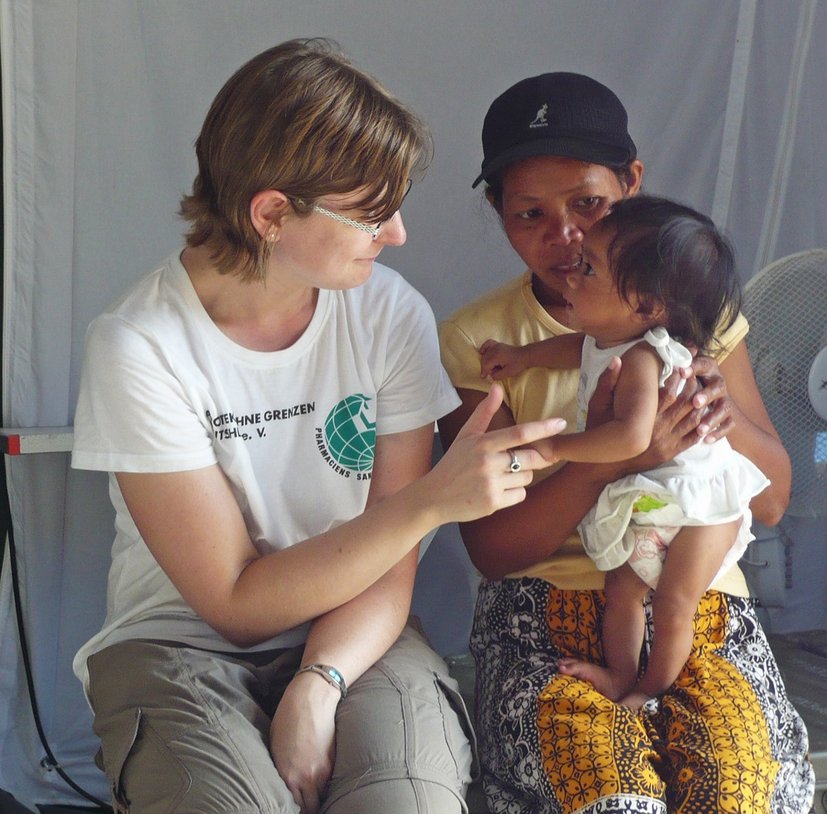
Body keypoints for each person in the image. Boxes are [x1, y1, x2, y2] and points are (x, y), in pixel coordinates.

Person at [70, 39, 566, 814]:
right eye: (371, 214)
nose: (397, 234)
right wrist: (433, 501)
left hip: (359, 626)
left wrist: (320, 680)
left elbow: (389, 565)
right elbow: (233, 602)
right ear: (270, 212)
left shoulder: (386, 309)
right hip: (179, 642)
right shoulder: (137, 344)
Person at [438, 72, 814, 813]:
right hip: (543, 615)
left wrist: (719, 417)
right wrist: (621, 458)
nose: (565, 239)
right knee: (610, 799)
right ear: (498, 214)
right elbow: (492, 550)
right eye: (529, 215)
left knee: (736, 794)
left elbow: (770, 502)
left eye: (588, 204)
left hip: (700, 603)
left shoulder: (697, 318)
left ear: (632, 184)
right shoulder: (477, 342)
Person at [479, 194, 771, 711]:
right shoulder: (603, 338)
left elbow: (632, 439)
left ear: (646, 307)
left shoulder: (642, 358)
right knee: (623, 590)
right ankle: (619, 675)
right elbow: (573, 351)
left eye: (588, 269)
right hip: (656, 502)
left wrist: (554, 447)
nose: (571, 272)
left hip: (701, 507)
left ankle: (651, 689)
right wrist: (522, 358)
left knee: (677, 602)